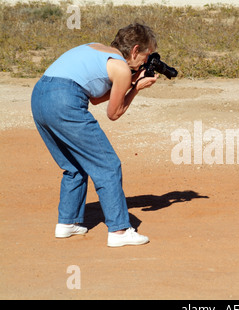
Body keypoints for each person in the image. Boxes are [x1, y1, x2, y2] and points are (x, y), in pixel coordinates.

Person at [31, 23, 159, 247]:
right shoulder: (119, 67)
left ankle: (67, 223)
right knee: (107, 164)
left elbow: (96, 97)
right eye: (147, 56)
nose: (146, 62)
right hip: (65, 101)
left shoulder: (96, 48)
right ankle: (119, 231)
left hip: (40, 96)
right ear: (135, 50)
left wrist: (129, 82)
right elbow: (114, 113)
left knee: (74, 165)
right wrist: (136, 89)